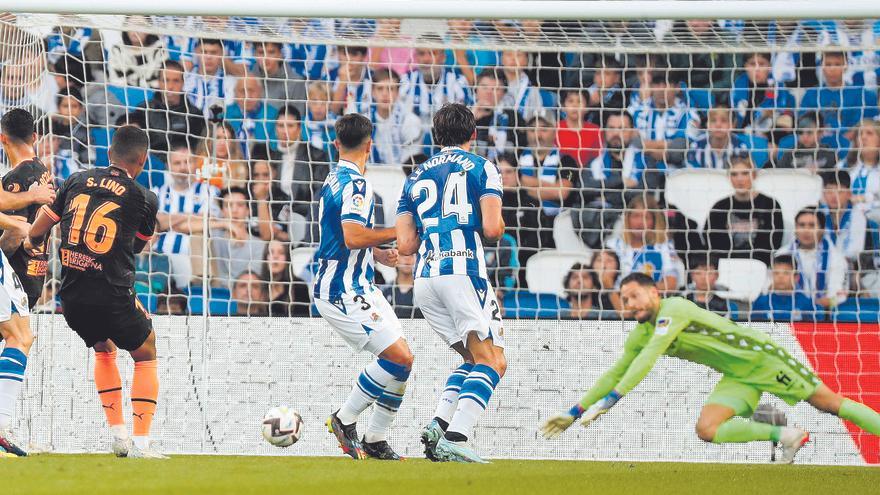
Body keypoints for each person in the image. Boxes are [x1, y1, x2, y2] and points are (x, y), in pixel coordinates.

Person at [541, 272, 880, 463]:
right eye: (624, 300)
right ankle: (786, 434)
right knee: (708, 429)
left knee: (829, 404)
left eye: (634, 296)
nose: (629, 305)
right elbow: (616, 371)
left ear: (654, 292)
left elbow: (650, 356)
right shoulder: (641, 332)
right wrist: (574, 411)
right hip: (737, 375)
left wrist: (612, 400)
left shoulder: (674, 308)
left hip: (764, 358)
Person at [27, 125, 166, 458]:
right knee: (146, 349)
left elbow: (37, 230)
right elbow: (134, 248)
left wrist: (38, 243)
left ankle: (118, 435)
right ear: (143, 160)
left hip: (71, 298)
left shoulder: (75, 180)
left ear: (109, 154)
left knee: (104, 349)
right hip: (112, 295)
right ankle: (142, 443)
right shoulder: (144, 198)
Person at [397, 103, 506, 464]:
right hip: (463, 272)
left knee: (475, 358)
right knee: (493, 362)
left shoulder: (414, 176)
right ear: (473, 134)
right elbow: (492, 229)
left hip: (426, 278)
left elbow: (406, 245)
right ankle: (456, 437)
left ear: (435, 136)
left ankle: (439, 425)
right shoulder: (482, 167)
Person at [313, 113, 413, 461]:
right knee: (398, 358)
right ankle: (343, 418)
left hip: (359, 285)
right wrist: (398, 233)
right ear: (370, 145)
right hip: (341, 291)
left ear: (336, 144)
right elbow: (352, 235)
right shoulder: (356, 184)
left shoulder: (334, 179)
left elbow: (342, 235)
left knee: (404, 360)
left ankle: (375, 438)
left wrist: (376, 253)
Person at [0, 108, 59, 457]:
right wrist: (22, 227)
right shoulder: (41, 177)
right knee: (20, 337)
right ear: (36, 137)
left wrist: (20, 229)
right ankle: (2, 422)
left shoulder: (21, 175)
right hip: (20, 277)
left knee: (19, 338)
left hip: (19, 278)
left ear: (2, 138)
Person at [153, 142, 220, 289]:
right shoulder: (157, 193)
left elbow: (206, 222)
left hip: (192, 260)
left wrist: (168, 220)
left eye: (187, 162)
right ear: (169, 166)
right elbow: (156, 223)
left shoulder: (209, 191)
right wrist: (191, 216)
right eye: (177, 163)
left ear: (195, 164)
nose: (183, 167)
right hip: (159, 257)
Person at [705, 156, 784, 265]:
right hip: (726, 266)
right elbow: (713, 242)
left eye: (745, 173)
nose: (739, 179)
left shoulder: (770, 205)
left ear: (754, 175)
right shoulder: (720, 207)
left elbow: (774, 241)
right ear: (729, 177)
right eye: (734, 174)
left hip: (760, 265)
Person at [776, 208, 849, 309]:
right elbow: (771, 289)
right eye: (802, 225)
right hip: (785, 310)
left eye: (812, 225)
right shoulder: (781, 254)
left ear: (822, 229)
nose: (806, 230)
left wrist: (812, 306)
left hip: (824, 314)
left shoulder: (836, 257)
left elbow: (839, 295)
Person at [606, 195, 681, 292]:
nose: (640, 222)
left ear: (654, 221)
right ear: (627, 218)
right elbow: (606, 282)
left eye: (647, 217)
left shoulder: (663, 247)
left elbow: (671, 284)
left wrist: (636, 290)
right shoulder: (613, 245)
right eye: (635, 216)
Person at [129, 60, 205, 155]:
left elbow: (199, 149)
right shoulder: (143, 110)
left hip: (182, 166)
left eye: (176, 81)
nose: (170, 86)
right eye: (165, 80)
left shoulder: (194, 114)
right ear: (159, 82)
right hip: (151, 165)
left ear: (183, 83)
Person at [272, 105, 331, 218]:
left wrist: (291, 212)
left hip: (305, 218)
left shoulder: (316, 156)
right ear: (275, 129)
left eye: (290, 126)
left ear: (299, 129)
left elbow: (321, 196)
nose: (285, 131)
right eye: (280, 126)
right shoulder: (271, 156)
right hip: (274, 221)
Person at [209, 187, 266, 289]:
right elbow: (185, 225)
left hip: (244, 297)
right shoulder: (214, 236)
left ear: (248, 210)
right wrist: (224, 224)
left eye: (240, 205)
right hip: (215, 294)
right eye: (229, 205)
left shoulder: (259, 245)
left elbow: (251, 281)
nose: (234, 210)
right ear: (222, 211)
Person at [368, 68, 424, 168]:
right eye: (380, 88)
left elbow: (410, 164)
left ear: (398, 93)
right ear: (373, 92)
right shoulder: (364, 121)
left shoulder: (410, 121)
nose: (385, 94)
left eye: (391, 89)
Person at [751, 255, 819, 321]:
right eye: (776, 273)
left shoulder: (806, 304)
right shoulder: (761, 302)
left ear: (796, 277)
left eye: (786, 273)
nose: (781, 277)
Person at [261, 240, 310, 317]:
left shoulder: (299, 286)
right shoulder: (257, 285)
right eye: (271, 252)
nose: (275, 256)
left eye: (281, 253)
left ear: (287, 258)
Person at [773, 114, 838, 170]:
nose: (805, 136)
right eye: (800, 132)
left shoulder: (828, 154)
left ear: (820, 132)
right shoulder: (789, 155)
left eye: (809, 132)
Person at [556, 90, 602, 168]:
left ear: (587, 108)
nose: (575, 105)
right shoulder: (555, 129)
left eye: (579, 101)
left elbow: (598, 159)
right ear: (563, 107)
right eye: (570, 101)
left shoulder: (595, 131)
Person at [382, 254, 420, 319]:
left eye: (411, 255)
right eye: (403, 254)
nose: (407, 259)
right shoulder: (384, 290)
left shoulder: (424, 290)